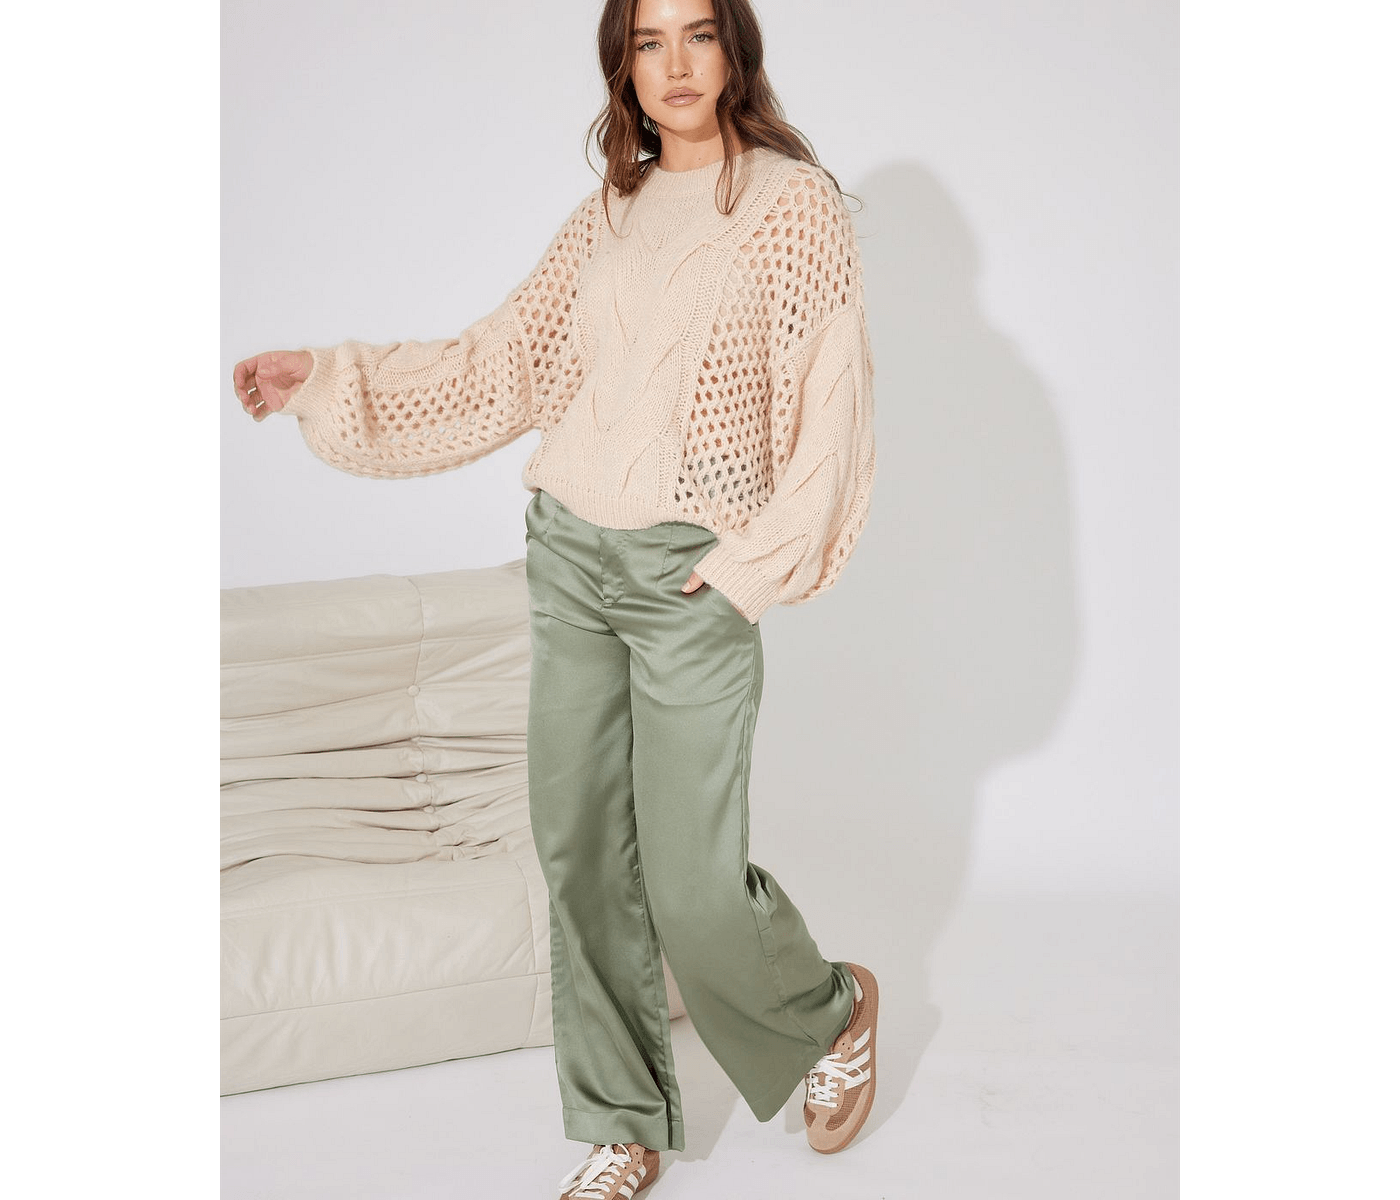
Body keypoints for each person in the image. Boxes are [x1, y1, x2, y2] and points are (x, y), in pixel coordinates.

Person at [232, 0, 879, 1194]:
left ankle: (827, 1010)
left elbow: (830, 413)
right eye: (647, 42)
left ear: (733, 48)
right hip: (571, 560)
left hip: (692, 576)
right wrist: (327, 375)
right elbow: (501, 364)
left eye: (696, 34)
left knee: (690, 883)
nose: (673, 64)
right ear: (620, 65)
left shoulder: (794, 207)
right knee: (580, 855)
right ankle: (621, 1120)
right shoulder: (610, 212)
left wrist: (749, 568)